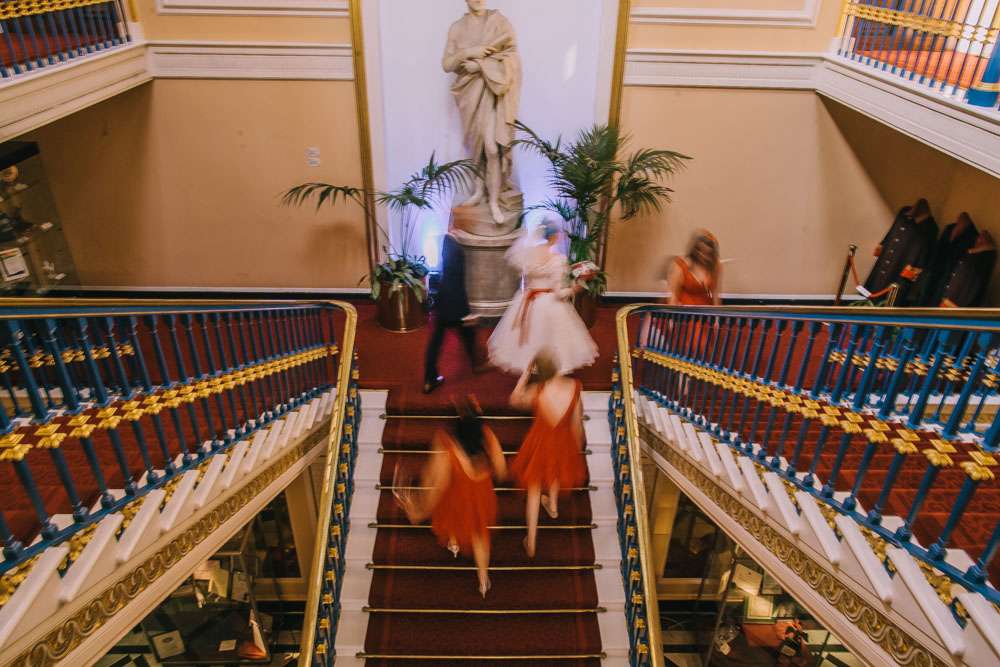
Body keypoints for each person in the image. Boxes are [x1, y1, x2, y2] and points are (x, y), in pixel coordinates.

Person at [396, 396, 506, 598]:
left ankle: (454, 543)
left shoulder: (447, 444)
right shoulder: (487, 435)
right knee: (480, 534)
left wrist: (418, 510)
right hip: (481, 494)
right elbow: (501, 468)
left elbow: (437, 484)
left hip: (457, 493)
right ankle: (483, 580)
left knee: (451, 517)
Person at [442, 0, 522, 225]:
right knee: (475, 146)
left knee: (492, 148)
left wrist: (481, 66)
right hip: (468, 95)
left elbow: (512, 58)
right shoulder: (457, 28)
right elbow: (447, 64)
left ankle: (494, 201)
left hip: (492, 93)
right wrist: (468, 52)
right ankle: (479, 191)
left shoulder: (499, 22)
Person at [488, 221, 598, 375]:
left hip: (528, 300)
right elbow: (559, 293)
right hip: (549, 302)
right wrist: (576, 287)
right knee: (552, 337)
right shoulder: (557, 260)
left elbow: (526, 282)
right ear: (554, 237)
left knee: (530, 338)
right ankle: (550, 369)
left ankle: (528, 366)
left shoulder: (527, 255)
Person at [508, 349, 586, 558]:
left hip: (540, 442)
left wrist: (525, 374)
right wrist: (576, 449)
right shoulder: (574, 386)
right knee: (556, 470)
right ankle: (553, 505)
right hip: (564, 441)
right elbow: (576, 423)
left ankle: (531, 541)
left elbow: (514, 399)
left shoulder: (538, 390)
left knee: (534, 489)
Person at [424, 230, 483, 394]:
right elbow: (457, 279)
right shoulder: (455, 247)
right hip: (455, 301)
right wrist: (466, 306)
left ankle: (429, 380)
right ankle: (476, 364)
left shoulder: (447, 242)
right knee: (468, 333)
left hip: (444, 299)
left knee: (437, 341)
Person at [665, 229, 722, 306]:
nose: (704, 256)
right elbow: (673, 296)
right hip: (685, 311)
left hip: (706, 310)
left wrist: (717, 312)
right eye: (701, 252)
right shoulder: (680, 265)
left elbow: (715, 294)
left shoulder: (715, 265)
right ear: (695, 250)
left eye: (708, 254)